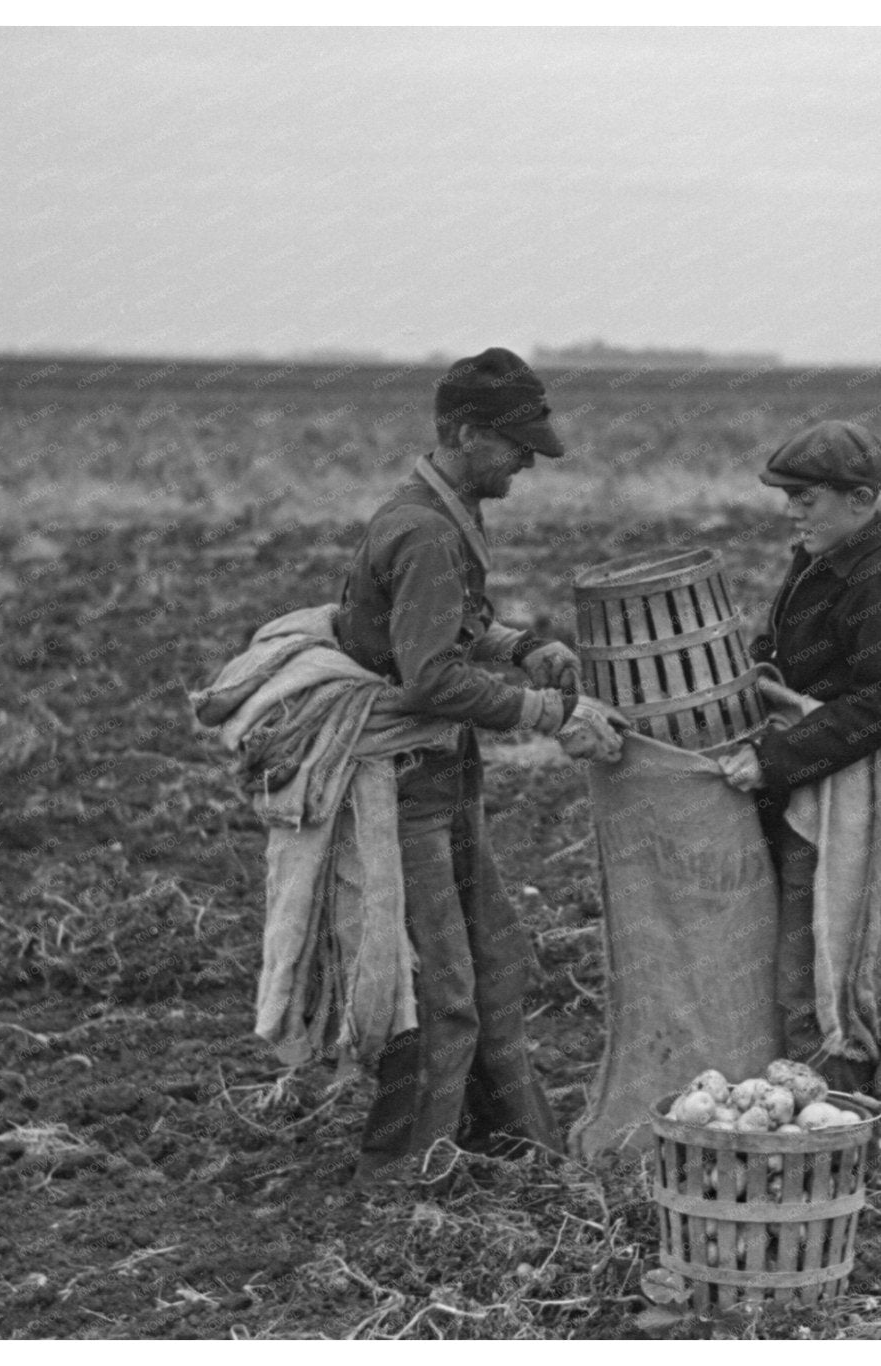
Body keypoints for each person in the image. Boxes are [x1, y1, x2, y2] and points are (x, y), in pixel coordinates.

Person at [331, 346, 620, 1187]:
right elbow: (428, 676)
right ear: (462, 433)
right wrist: (547, 712)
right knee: (446, 988)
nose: (528, 458)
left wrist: (524, 647)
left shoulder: (446, 513)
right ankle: (403, 1178)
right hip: (410, 787)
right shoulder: (422, 531)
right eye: (513, 443)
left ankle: (511, 1141)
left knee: (496, 955)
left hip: (443, 776)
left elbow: (451, 631)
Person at [715, 420, 881, 1095]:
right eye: (789, 496)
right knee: (789, 959)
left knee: (821, 971)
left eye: (808, 497)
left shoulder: (878, 584)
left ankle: (834, 1119)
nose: (792, 509)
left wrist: (776, 758)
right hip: (803, 785)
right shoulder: (814, 564)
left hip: (840, 799)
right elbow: (778, 653)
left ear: (860, 499)